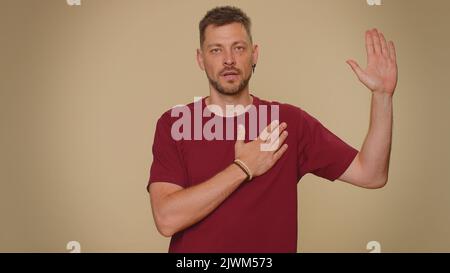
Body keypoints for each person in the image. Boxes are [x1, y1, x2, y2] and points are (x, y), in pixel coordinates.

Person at [147, 6, 397, 253]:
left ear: (254, 54)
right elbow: (167, 219)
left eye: (239, 48)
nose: (229, 60)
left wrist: (382, 96)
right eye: (216, 50)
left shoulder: (290, 122)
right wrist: (243, 168)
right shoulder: (175, 123)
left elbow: (371, 174)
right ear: (200, 59)